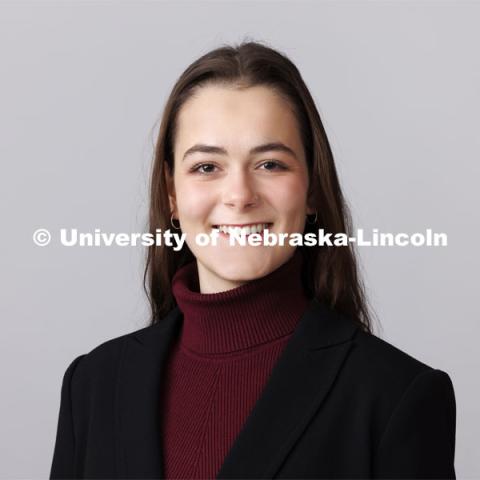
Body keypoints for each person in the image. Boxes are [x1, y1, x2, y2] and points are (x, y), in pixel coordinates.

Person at [50, 41, 456, 479]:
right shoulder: (92, 385)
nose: (240, 195)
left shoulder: (396, 394)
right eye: (206, 167)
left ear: (313, 188)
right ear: (171, 193)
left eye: (270, 164)